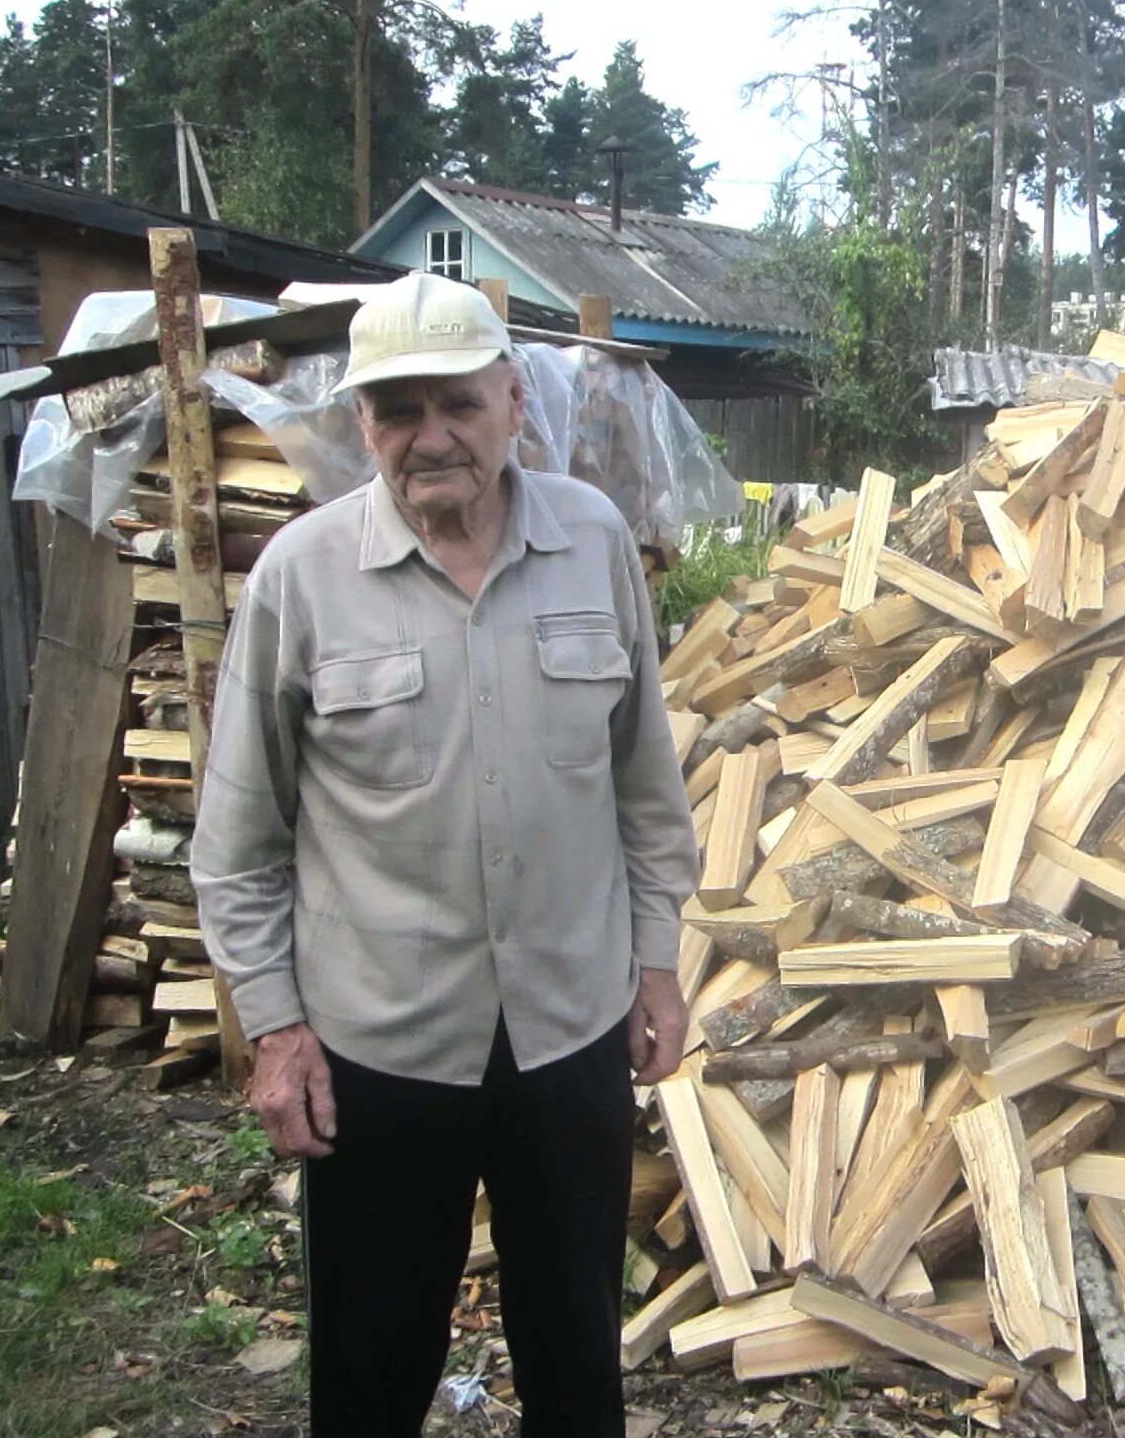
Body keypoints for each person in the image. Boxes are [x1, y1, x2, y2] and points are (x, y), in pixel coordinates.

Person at [191, 271, 699, 1437]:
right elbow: (237, 835)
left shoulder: (594, 541)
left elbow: (645, 781)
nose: (430, 438)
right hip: (381, 1048)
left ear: (516, 400)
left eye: (459, 405)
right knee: (372, 1366)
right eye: (396, 410)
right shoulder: (301, 579)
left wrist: (658, 961)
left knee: (577, 1360)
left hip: (569, 1031)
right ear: (359, 423)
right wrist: (275, 1031)